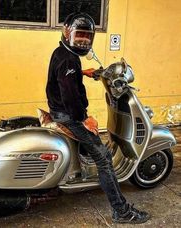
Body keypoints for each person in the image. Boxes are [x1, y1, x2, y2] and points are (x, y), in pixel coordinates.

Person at [46, 12, 150, 224]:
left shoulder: (63, 54)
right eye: (79, 35)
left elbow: (63, 76)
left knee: (93, 148)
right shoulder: (69, 61)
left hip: (60, 110)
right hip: (68, 115)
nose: (83, 40)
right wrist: (83, 118)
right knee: (104, 158)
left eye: (87, 36)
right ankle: (121, 211)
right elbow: (71, 97)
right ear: (67, 32)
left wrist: (82, 72)